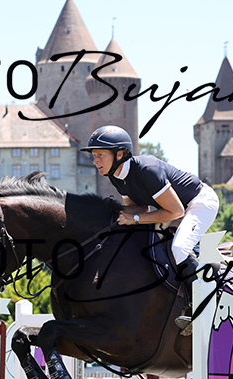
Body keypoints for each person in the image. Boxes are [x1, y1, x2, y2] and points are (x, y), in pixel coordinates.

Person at [81, 125, 220, 330]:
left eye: (100, 155)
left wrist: (135, 219)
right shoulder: (116, 176)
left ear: (119, 154)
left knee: (179, 248)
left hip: (199, 202)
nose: (95, 161)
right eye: (94, 155)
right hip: (172, 209)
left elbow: (175, 211)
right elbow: (138, 208)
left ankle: (200, 307)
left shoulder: (147, 170)